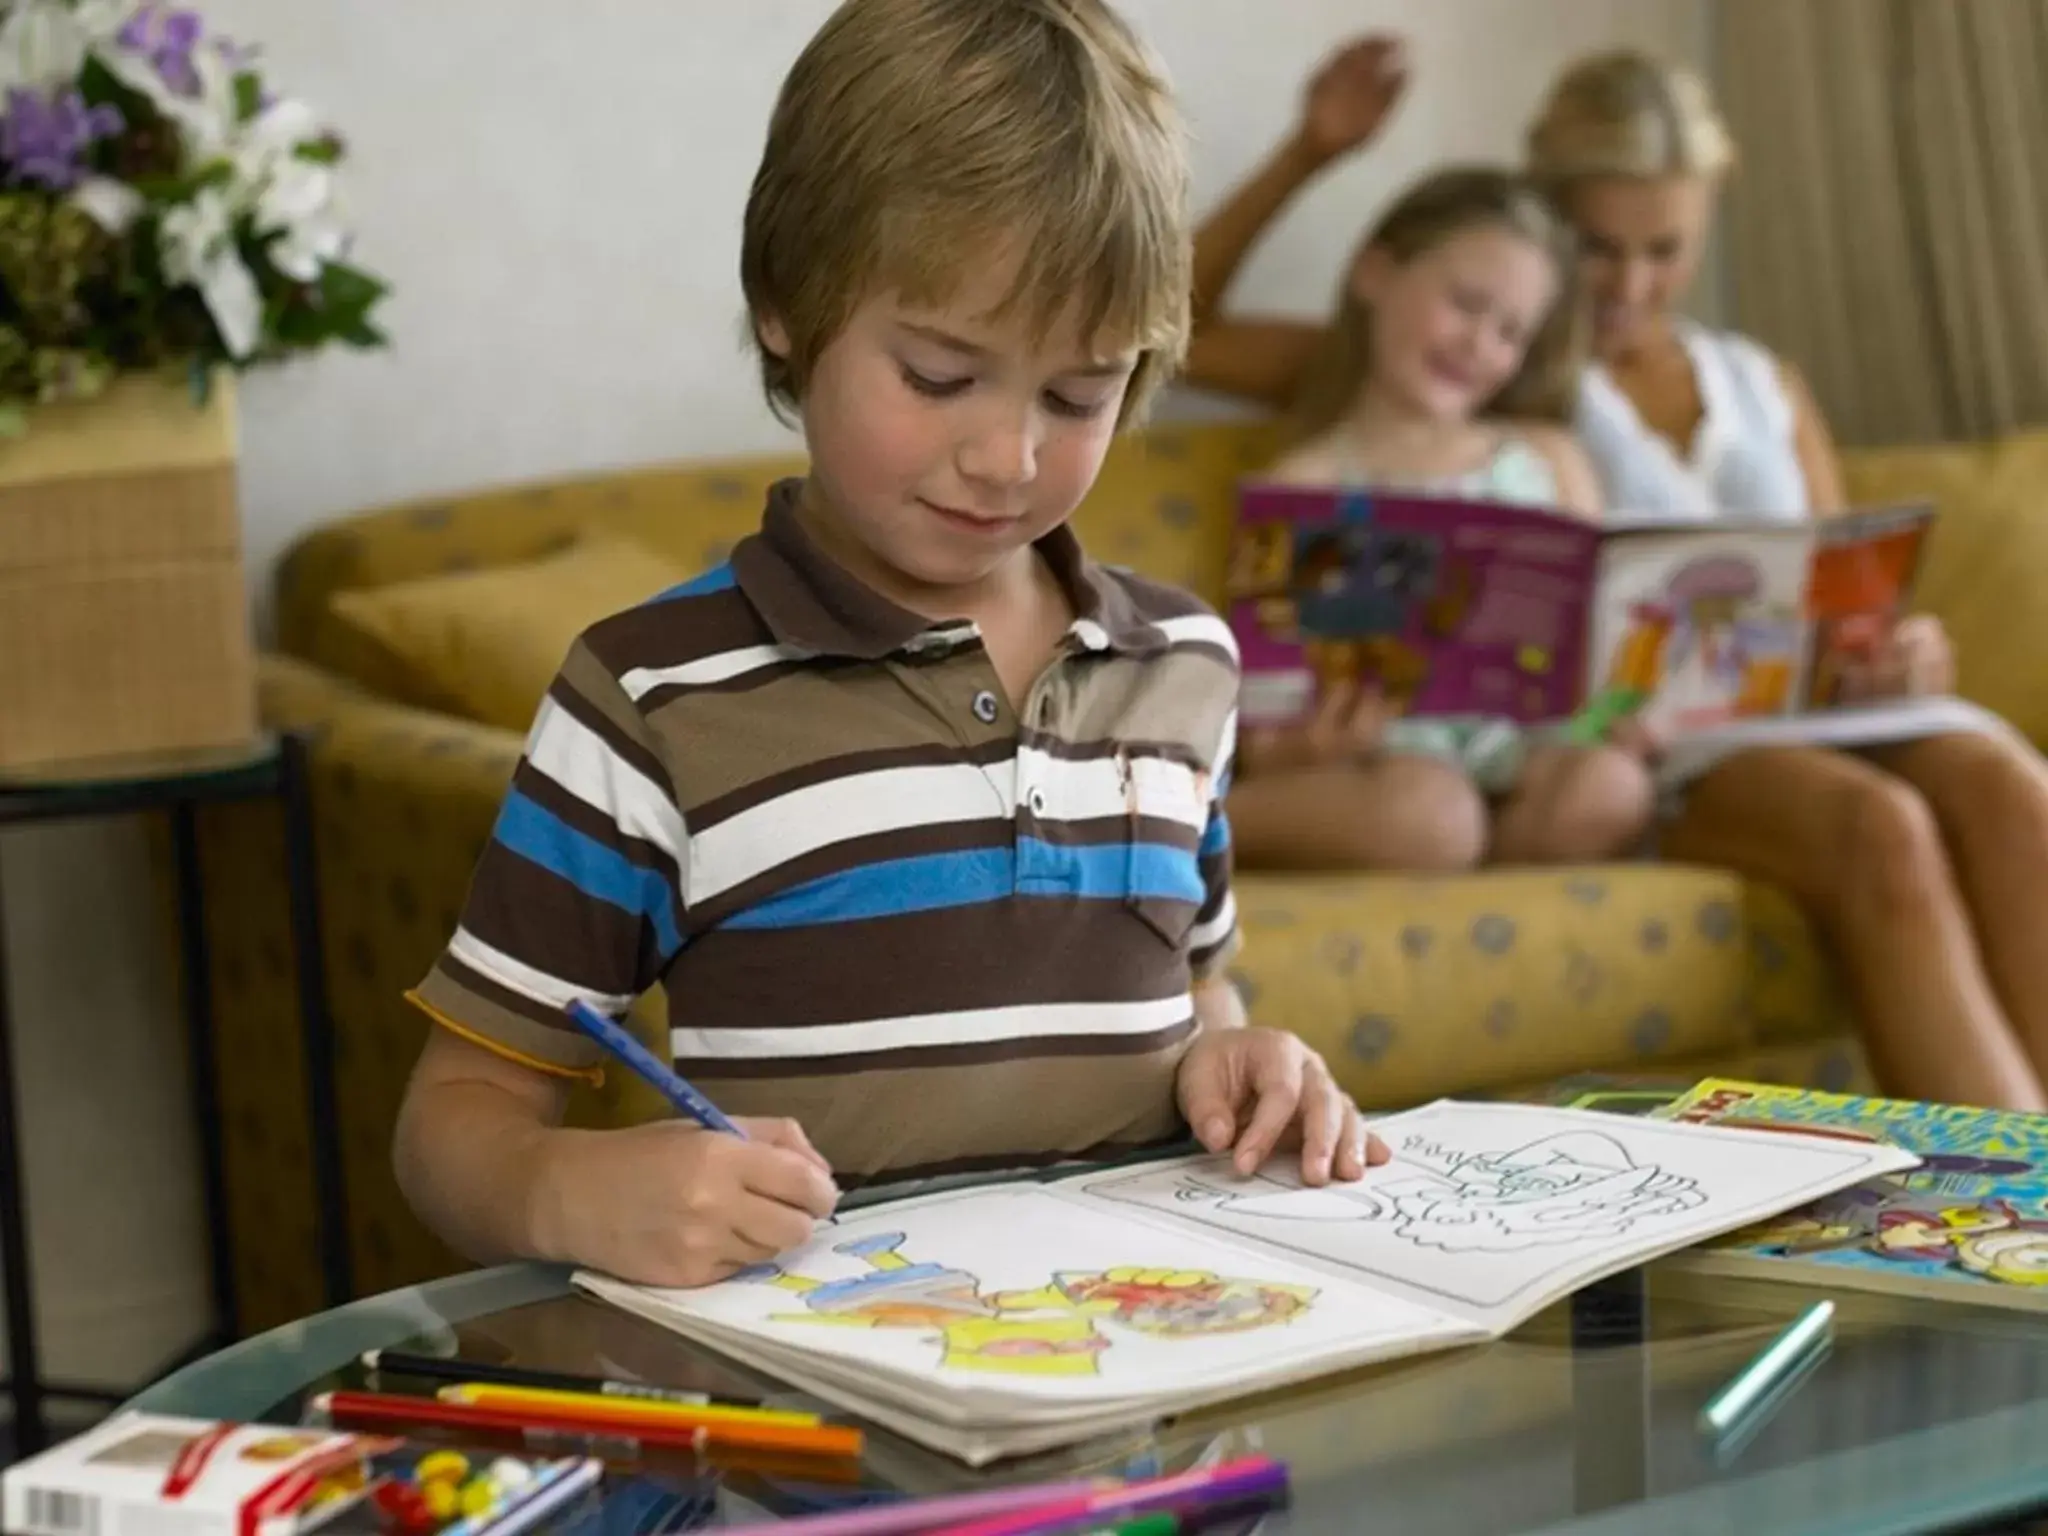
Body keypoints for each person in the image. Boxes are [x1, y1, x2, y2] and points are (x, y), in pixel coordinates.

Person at [391, 0, 1387, 1293]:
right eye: (938, 375)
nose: (1008, 457)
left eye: (1079, 395)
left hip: (1147, 1411)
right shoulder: (650, 699)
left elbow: (1200, 988)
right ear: (785, 308)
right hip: (826, 1448)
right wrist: (562, 1187)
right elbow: (449, 1120)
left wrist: (1234, 1057)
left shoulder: (1184, 665)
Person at [1187, 36, 2048, 1112]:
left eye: (1664, 249)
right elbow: (1181, 326)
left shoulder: (1757, 380)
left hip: (1805, 712)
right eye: (1598, 249)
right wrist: (1310, 150)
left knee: (2010, 790)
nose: (1629, 285)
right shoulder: (1509, 374)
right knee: (1882, 830)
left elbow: (1845, 594)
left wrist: (1896, 650)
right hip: (1665, 743)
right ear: (1549, 224)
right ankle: (2019, 1209)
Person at [1226, 165, 1656, 873]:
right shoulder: (1303, 485)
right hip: (1389, 773)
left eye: (1511, 331)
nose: (1478, 345)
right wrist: (1313, 745)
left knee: (1613, 788)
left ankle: (1483, 858)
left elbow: (1600, 644)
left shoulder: (1552, 459)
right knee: (1434, 816)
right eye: (1464, 302)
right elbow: (1266, 743)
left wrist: (1620, 712)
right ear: (1375, 274)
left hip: (1528, 761)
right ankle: (1183, 829)